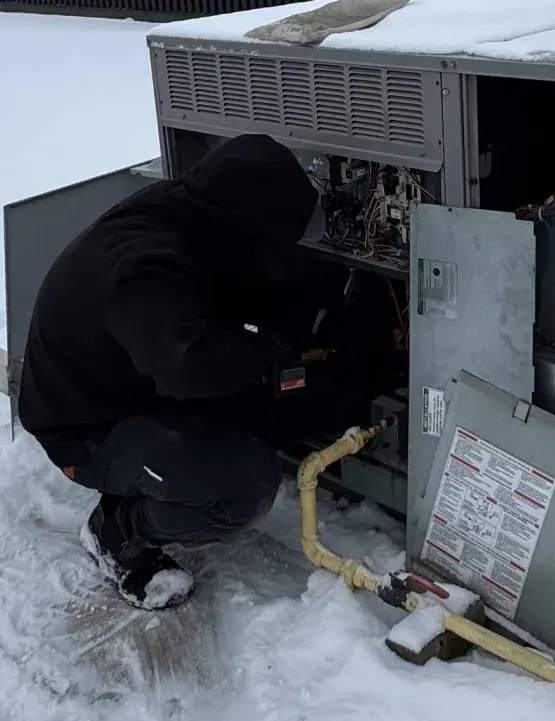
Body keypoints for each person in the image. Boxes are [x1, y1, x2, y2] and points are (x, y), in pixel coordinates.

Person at [17, 134, 326, 607]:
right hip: (84, 425)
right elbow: (187, 368)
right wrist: (268, 353)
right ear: (246, 222)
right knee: (244, 485)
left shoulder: (190, 215)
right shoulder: (144, 265)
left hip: (129, 385)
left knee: (269, 407)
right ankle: (118, 532)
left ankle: (163, 470)